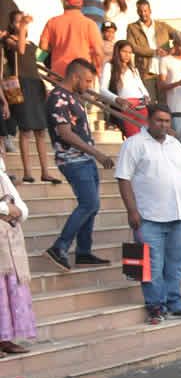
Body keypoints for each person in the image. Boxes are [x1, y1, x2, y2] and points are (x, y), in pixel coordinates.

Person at [115, 103, 181, 324]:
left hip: (178, 215)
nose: (163, 125)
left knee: (176, 262)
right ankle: (155, 306)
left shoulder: (176, 145)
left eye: (167, 121)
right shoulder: (134, 144)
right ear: (148, 120)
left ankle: (174, 303)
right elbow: (123, 179)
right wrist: (132, 211)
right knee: (150, 265)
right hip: (147, 217)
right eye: (159, 120)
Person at [44, 57, 114, 272]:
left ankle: (83, 251)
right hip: (73, 160)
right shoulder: (58, 97)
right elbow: (65, 133)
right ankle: (60, 247)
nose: (88, 86)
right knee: (89, 204)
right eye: (87, 81)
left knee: (92, 206)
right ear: (75, 77)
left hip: (84, 158)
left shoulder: (73, 96)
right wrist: (98, 154)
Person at [4, 10, 59, 185]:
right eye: (18, 22)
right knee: (26, 130)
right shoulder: (8, 40)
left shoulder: (31, 42)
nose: (22, 24)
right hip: (21, 85)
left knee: (41, 131)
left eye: (23, 21)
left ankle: (45, 171)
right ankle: (28, 172)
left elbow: (38, 59)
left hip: (36, 84)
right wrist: (23, 26)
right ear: (12, 24)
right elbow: (20, 50)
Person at [0, 168, 33, 355]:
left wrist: (17, 211)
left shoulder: (2, 175)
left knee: (8, 292)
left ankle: (6, 339)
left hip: (9, 241)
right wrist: (6, 209)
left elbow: (22, 207)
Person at [38, 0, 103, 78]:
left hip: (58, 73)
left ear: (66, 2)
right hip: (81, 75)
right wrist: (97, 71)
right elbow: (98, 52)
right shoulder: (90, 24)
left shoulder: (53, 22)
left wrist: (57, 46)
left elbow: (43, 46)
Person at [124, 0, 176, 101]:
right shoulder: (132, 27)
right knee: (150, 103)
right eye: (140, 11)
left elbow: (179, 37)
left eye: (145, 10)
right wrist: (154, 52)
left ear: (150, 10)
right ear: (137, 12)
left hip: (163, 71)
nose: (143, 14)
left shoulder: (162, 26)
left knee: (164, 103)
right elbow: (132, 47)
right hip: (146, 71)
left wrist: (171, 51)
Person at [98, 40, 148, 137]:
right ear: (117, 51)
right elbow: (102, 89)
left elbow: (141, 87)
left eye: (129, 52)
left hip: (141, 104)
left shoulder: (133, 69)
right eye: (124, 51)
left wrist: (147, 96)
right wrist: (117, 99)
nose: (127, 55)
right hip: (126, 105)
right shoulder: (110, 66)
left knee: (145, 136)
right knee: (132, 137)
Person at [157, 32, 181, 127]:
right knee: (178, 138)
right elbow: (161, 86)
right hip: (174, 108)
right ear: (175, 44)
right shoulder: (165, 60)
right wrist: (179, 83)